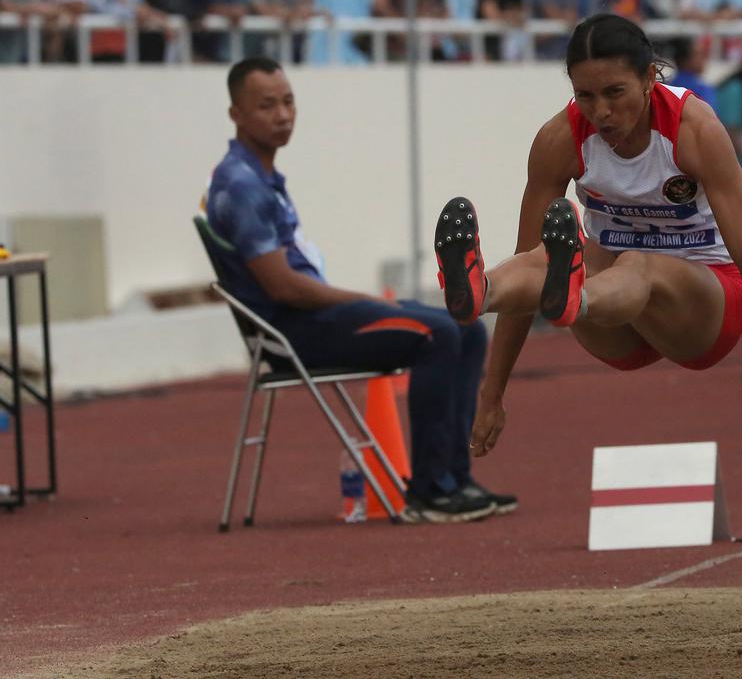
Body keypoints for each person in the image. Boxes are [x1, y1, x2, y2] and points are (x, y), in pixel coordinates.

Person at [433, 14, 742, 456]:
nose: (602, 112)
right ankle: (482, 292)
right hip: (615, 317)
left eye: (615, 93)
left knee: (636, 262)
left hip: (706, 306)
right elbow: (528, 255)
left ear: (649, 77)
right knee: (543, 258)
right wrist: (491, 395)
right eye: (585, 96)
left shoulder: (696, 131)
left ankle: (574, 297)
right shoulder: (559, 139)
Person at [204, 58, 515, 522]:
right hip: (297, 332)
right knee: (439, 334)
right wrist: (367, 300)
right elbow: (286, 289)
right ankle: (431, 491)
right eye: (266, 106)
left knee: (466, 327)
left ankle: (456, 479)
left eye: (288, 102)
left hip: (311, 318)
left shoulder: (259, 175)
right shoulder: (243, 185)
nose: (283, 114)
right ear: (236, 114)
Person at [667, 36, 716, 107]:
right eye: (698, 54)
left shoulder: (667, 86)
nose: (703, 59)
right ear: (684, 60)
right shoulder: (703, 89)